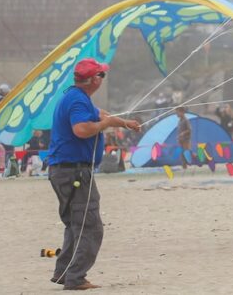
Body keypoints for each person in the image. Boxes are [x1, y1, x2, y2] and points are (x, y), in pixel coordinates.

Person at [48, 58, 140, 290]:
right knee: (90, 227)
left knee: (75, 225)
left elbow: (102, 115)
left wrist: (125, 123)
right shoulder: (77, 101)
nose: (102, 79)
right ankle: (76, 277)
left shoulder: (76, 96)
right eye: (101, 75)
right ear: (92, 80)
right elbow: (81, 129)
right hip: (75, 174)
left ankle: (63, 272)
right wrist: (103, 125)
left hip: (64, 172)